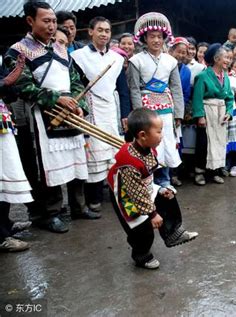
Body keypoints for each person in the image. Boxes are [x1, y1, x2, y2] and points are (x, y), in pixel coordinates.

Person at [5, 1, 99, 233]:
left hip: (70, 112)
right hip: (41, 115)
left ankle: (79, 206)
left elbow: (76, 80)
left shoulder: (60, 48)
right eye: (46, 21)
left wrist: (79, 104)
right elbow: (22, 86)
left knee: (76, 158)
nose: (52, 26)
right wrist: (56, 99)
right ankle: (51, 213)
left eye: (54, 21)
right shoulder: (18, 50)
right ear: (30, 21)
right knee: (48, 165)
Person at [108, 108, 198, 269]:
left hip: (143, 186)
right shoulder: (129, 162)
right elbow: (137, 194)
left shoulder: (147, 148)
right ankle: (141, 256)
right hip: (126, 196)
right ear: (143, 135)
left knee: (168, 198)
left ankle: (173, 234)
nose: (162, 135)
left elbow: (147, 178)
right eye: (158, 131)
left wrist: (160, 190)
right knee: (141, 227)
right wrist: (153, 213)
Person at [71, 16, 131, 212]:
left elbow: (122, 88)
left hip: (110, 107)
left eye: (107, 30)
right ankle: (94, 197)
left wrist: (124, 113)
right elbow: (76, 84)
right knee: (94, 151)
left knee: (114, 149)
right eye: (100, 30)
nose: (104, 34)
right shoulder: (79, 56)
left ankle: (115, 194)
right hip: (91, 106)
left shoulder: (116, 58)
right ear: (90, 32)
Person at [127, 12, 184, 194]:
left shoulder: (171, 61)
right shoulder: (136, 60)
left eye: (160, 37)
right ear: (145, 38)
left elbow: (176, 88)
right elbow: (134, 89)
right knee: (149, 144)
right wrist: (139, 115)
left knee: (166, 142)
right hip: (146, 107)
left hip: (166, 108)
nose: (156, 40)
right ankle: (148, 181)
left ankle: (165, 180)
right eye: (152, 37)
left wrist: (179, 114)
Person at [0, 57, 33, 252]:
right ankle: (1, 236)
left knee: (5, 173)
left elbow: (11, 92)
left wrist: (10, 83)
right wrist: (6, 82)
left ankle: (5, 223)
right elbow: (6, 82)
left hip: (3, 119)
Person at [192, 44, 234, 185]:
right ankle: (199, 172)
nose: (228, 61)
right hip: (207, 112)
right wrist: (200, 116)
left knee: (219, 142)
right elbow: (197, 98)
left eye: (229, 58)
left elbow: (229, 98)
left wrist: (229, 112)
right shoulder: (203, 76)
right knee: (204, 143)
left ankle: (214, 171)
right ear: (216, 59)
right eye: (225, 58)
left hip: (220, 114)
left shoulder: (226, 77)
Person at [168, 37, 192, 187]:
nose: (182, 55)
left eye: (185, 52)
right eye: (179, 52)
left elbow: (185, 94)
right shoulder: (165, 65)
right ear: (171, 51)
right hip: (161, 107)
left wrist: (180, 113)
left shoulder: (186, 71)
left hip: (176, 111)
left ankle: (174, 174)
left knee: (177, 143)